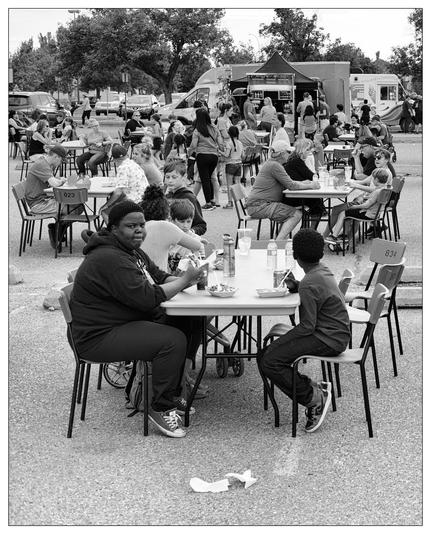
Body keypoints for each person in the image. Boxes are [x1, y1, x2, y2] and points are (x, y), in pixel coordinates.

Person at [69, 200, 207, 438]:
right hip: (97, 336)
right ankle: (159, 407)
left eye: (141, 225)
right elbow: (146, 299)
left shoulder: (130, 250)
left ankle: (175, 392)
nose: (139, 230)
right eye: (130, 226)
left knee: (190, 319)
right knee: (171, 340)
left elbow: (159, 276)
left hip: (120, 321)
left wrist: (188, 277)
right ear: (113, 229)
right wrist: (184, 282)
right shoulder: (109, 258)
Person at [258, 228, 350, 433]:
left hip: (328, 339)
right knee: (266, 356)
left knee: (270, 360)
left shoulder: (309, 283)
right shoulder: (320, 271)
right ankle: (312, 387)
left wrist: (282, 341)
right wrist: (297, 285)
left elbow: (307, 326)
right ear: (321, 253)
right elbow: (316, 294)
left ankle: (314, 398)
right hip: (334, 333)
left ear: (295, 255)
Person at [245, 140, 320, 241]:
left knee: (294, 212)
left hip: (260, 204)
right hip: (260, 205)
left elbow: (289, 182)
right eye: (288, 152)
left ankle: (280, 239)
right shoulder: (275, 166)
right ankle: (278, 242)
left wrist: (305, 183)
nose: (290, 154)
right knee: (296, 214)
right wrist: (311, 185)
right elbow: (291, 185)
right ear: (281, 154)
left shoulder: (273, 164)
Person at [23, 144, 79, 248]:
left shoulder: (44, 162)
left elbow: (51, 179)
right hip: (38, 204)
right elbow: (54, 183)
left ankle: (58, 230)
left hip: (44, 199)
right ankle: (56, 230)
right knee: (74, 207)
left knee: (77, 206)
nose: (61, 163)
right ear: (56, 157)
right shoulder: (42, 164)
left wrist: (59, 179)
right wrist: (62, 180)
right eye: (61, 160)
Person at [140, 185, 202, 272]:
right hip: (160, 279)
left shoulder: (139, 228)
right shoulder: (166, 227)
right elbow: (197, 246)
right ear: (166, 211)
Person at [324, 168, 392, 247]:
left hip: (367, 213)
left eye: (372, 178)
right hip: (375, 213)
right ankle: (344, 236)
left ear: (376, 179)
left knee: (343, 213)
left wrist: (355, 206)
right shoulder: (386, 189)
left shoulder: (377, 192)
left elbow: (366, 205)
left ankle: (334, 236)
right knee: (347, 212)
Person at [99, 144, 150, 223]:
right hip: (145, 199)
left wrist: (106, 205)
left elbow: (118, 192)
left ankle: (113, 233)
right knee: (117, 203)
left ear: (115, 160)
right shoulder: (133, 163)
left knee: (105, 212)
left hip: (135, 202)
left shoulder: (122, 167)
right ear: (127, 155)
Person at [187, 107, 224, 211]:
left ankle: (208, 203)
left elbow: (193, 145)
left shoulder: (197, 130)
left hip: (202, 156)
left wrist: (188, 153)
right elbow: (220, 143)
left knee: (205, 179)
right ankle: (212, 200)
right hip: (214, 157)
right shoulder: (214, 128)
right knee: (210, 178)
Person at [282, 139, 325, 224]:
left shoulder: (294, 159)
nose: (310, 152)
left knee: (317, 202)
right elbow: (311, 176)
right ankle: (310, 231)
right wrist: (323, 174)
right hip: (291, 196)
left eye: (310, 149)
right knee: (317, 203)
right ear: (301, 151)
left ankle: (307, 229)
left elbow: (308, 177)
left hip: (292, 193)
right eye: (308, 149)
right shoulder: (297, 161)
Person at [164, 159, 207, 236]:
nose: (170, 181)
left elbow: (201, 226)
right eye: (167, 177)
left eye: (174, 177)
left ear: (184, 178)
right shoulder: (167, 196)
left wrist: (190, 232)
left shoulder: (189, 197)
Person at [168, 199, 206, 273]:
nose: (185, 225)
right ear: (171, 220)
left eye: (188, 221)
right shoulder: (166, 238)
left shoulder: (196, 240)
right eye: (182, 222)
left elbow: (201, 263)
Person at [221, 125, 244, 209]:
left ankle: (230, 202)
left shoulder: (229, 143)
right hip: (239, 164)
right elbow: (243, 155)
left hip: (230, 164)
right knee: (238, 184)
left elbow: (227, 155)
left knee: (229, 185)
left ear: (229, 133)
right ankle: (242, 201)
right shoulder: (240, 143)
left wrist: (220, 151)